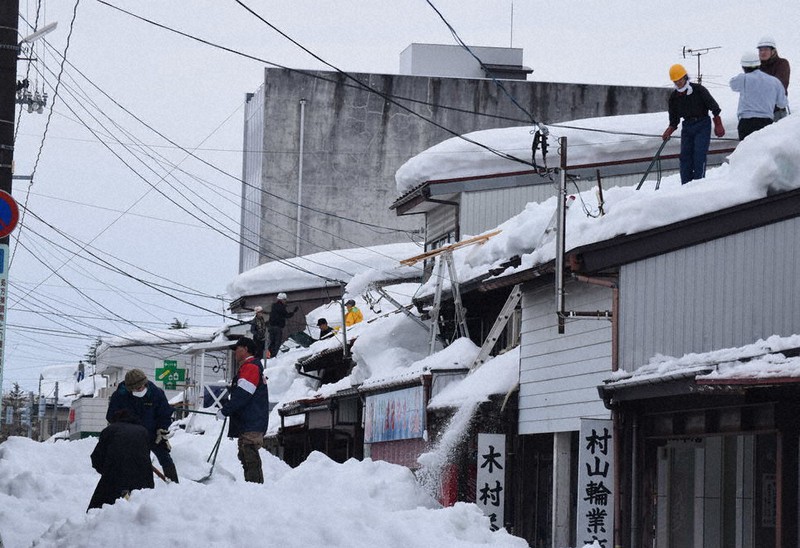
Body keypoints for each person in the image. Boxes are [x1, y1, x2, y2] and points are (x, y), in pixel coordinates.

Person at [106, 369, 179, 482]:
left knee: (165, 457)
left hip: (154, 434)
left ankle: (174, 485)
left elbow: (164, 414)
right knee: (129, 462)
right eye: (136, 388)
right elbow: (111, 416)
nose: (140, 389)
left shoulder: (156, 393)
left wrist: (162, 429)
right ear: (129, 388)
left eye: (142, 386)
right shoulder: (120, 396)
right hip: (132, 436)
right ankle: (128, 488)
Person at [217, 337, 269, 483]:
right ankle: (253, 488)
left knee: (249, 455)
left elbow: (242, 395)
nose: (235, 352)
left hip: (251, 421)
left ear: (245, 349)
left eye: (237, 348)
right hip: (251, 420)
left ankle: (255, 490)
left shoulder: (250, 367)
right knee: (246, 455)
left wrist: (225, 410)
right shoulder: (251, 367)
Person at [662, 64, 725, 184]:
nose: (678, 83)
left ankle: (698, 183)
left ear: (685, 77)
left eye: (680, 79)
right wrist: (670, 129)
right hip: (687, 126)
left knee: (699, 154)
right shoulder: (674, 97)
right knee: (685, 156)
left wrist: (718, 123)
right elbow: (674, 119)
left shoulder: (698, 90)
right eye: (675, 81)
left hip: (702, 124)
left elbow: (713, 106)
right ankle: (685, 184)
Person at [87, 408, 154, 511]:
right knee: (141, 510)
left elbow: (96, 457)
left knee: (97, 509)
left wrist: (106, 471)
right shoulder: (143, 431)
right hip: (144, 478)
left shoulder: (110, 430)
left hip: (114, 476)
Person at [730, 51, 787, 140]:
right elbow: (782, 103)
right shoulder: (774, 81)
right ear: (759, 64)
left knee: (747, 151)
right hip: (766, 123)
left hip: (746, 123)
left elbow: (732, 85)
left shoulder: (742, 79)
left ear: (743, 67)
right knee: (764, 150)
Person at [757, 36, 791, 121]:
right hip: (758, 111)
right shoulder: (756, 66)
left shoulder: (782, 64)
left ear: (773, 51)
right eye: (760, 50)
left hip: (776, 110)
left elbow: (779, 85)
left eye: (766, 50)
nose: (762, 52)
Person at [267, 292, 298, 358]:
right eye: (285, 300)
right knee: (277, 343)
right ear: (282, 300)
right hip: (277, 327)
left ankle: (268, 356)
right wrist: (293, 312)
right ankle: (273, 356)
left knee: (272, 342)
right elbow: (286, 315)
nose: (286, 301)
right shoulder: (281, 307)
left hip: (271, 327)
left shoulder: (274, 306)